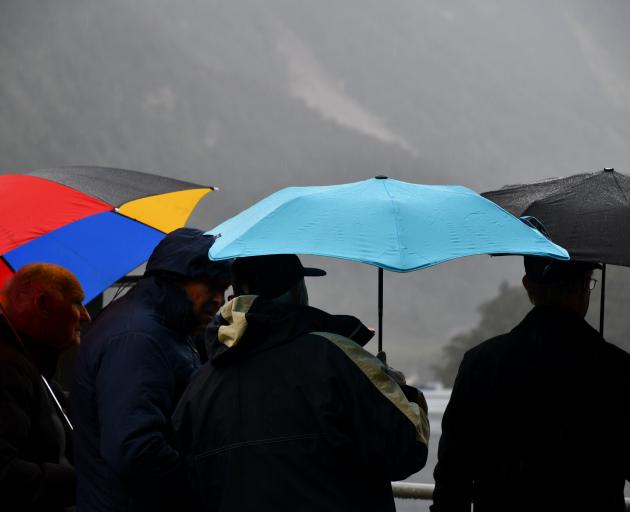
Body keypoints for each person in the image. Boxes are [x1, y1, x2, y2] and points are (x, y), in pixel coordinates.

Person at [172, 254, 430, 512]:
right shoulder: (336, 359)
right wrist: (397, 390)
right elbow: (406, 451)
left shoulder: (199, 388)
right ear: (297, 291)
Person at [432, 256, 630, 512]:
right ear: (583, 288)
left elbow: (453, 474)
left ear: (528, 285)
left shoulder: (481, 363)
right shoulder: (616, 368)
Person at [71, 228, 232, 512]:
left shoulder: (166, 328)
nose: (220, 300)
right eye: (211, 286)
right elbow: (135, 450)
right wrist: (208, 485)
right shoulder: (137, 338)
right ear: (174, 278)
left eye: (224, 289)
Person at [0, 263, 91, 511]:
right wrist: (83, 479)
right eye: (76, 302)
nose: (85, 315)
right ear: (43, 305)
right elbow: (6, 474)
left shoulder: (31, 364)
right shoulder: (8, 370)